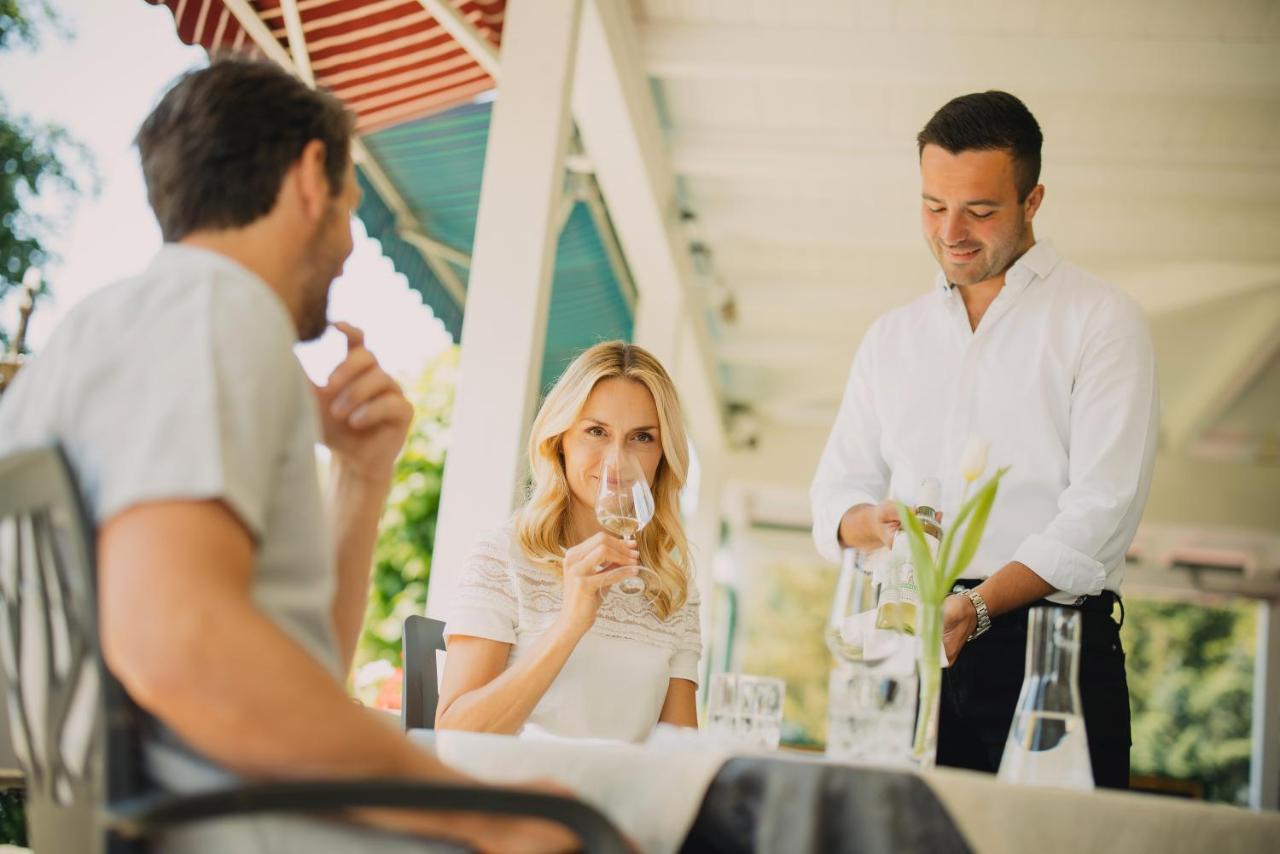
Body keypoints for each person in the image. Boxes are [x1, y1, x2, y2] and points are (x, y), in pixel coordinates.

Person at [0, 59, 578, 853]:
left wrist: (363, 476)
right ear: (313, 175)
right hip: (238, 828)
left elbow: (307, 669)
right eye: (350, 206)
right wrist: (477, 813)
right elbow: (175, 640)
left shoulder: (90, 336)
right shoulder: (216, 309)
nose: (348, 246)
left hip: (167, 820)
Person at [810, 91, 1158, 789]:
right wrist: (865, 522)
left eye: (980, 209)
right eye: (933, 206)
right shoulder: (892, 337)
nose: (950, 232)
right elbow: (835, 491)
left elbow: (1102, 511)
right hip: (904, 647)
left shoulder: (1100, 321)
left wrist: (975, 606)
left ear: (1033, 200)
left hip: (1045, 651)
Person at [437, 341, 701, 741]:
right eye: (596, 431)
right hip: (519, 800)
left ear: (663, 455)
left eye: (642, 438)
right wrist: (571, 622)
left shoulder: (672, 587)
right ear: (560, 438)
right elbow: (455, 735)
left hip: (622, 802)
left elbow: (680, 751)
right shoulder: (502, 557)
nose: (616, 460)